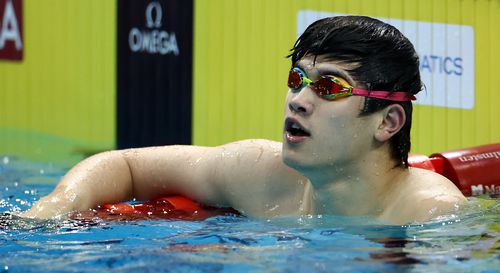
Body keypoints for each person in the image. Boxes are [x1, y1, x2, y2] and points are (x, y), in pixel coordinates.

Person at [21, 15, 466, 223]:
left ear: (388, 122)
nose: (298, 100)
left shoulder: (428, 217)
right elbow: (127, 165)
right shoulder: (263, 173)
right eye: (297, 79)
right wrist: (56, 207)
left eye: (329, 87)